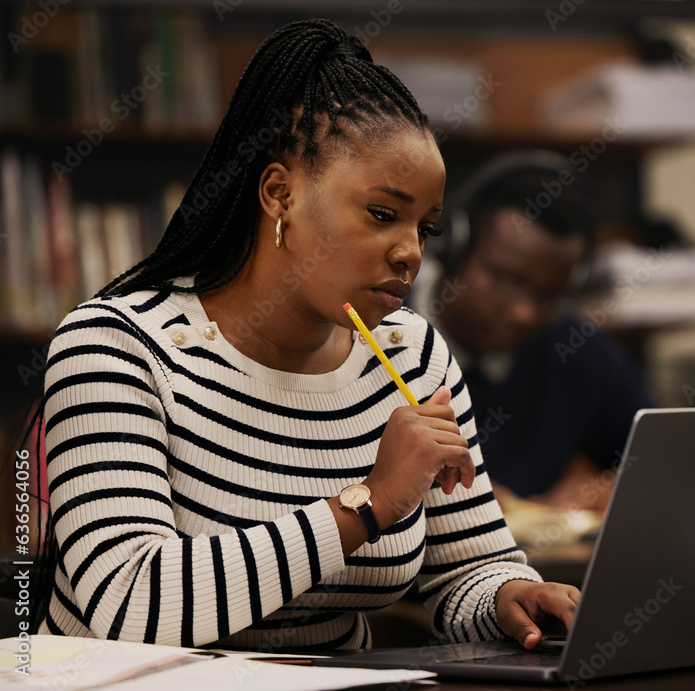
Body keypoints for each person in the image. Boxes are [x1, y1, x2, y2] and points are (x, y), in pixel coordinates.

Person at [38, 19, 578, 652]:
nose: (410, 253)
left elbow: (466, 571)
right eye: (383, 214)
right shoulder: (114, 347)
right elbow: (131, 606)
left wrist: (512, 595)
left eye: (426, 228)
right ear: (279, 194)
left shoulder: (413, 356)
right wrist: (367, 505)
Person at [410, 152, 654, 512]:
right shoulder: (381, 333)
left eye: (549, 295)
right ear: (453, 248)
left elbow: (662, 455)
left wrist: (604, 485)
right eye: (507, 281)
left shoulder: (572, 347)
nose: (524, 313)